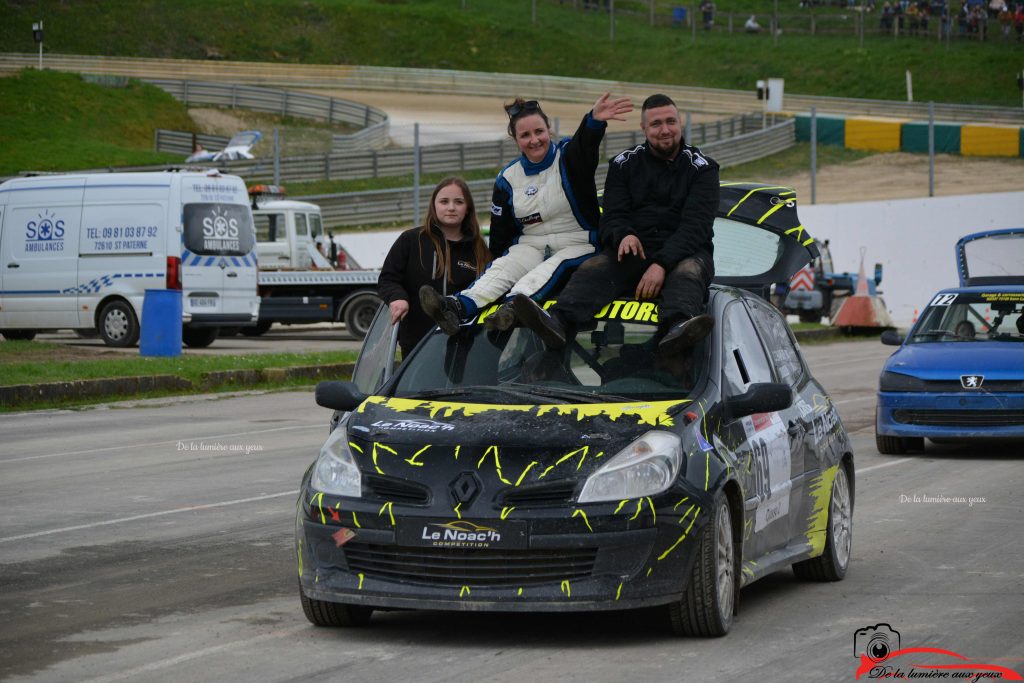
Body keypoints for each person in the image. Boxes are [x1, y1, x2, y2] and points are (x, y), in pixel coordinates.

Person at [513, 94, 719, 358]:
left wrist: (661, 265)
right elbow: (612, 216)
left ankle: (677, 329)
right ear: (644, 129)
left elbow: (696, 227)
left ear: (680, 124)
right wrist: (624, 235)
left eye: (671, 121)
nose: (665, 130)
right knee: (594, 266)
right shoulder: (623, 164)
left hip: (686, 252)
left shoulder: (704, 169)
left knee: (687, 272)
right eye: (656, 124)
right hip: (635, 250)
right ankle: (558, 322)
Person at [420, 92, 633, 335]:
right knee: (503, 267)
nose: (534, 140)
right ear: (515, 139)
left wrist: (593, 121)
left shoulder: (569, 157)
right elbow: (501, 232)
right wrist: (501, 259)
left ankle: (512, 309)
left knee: (549, 269)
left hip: (578, 241)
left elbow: (585, 143)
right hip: (531, 245)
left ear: (549, 129)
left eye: (539, 132)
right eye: (525, 135)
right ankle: (454, 306)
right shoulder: (507, 178)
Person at [378, 177, 490, 358]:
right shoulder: (411, 240)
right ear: (434, 205)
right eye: (444, 201)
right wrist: (397, 298)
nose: (451, 207)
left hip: (468, 346)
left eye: (459, 202)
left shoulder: (479, 249)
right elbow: (387, 279)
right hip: (418, 345)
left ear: (467, 207)